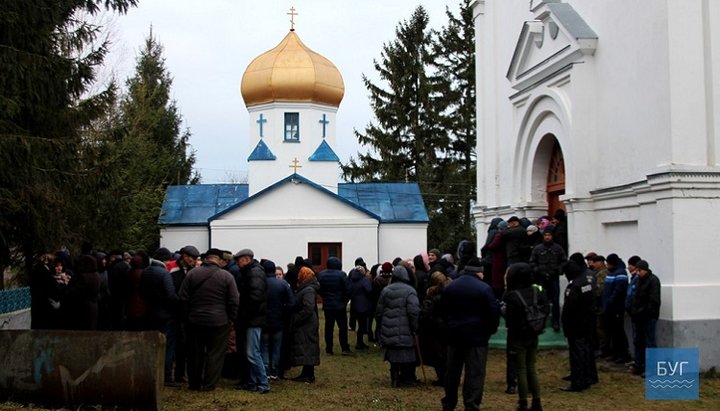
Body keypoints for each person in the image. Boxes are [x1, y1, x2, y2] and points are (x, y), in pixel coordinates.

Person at [441, 257, 500, 411]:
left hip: (454, 336)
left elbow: (443, 311)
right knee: (474, 374)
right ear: (479, 273)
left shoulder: (451, 287)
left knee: (452, 373)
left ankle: (449, 403)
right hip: (477, 338)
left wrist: (449, 327)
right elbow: (493, 313)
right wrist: (489, 331)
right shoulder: (484, 289)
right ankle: (471, 404)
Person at [178, 248, 239, 392]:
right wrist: (231, 318)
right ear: (218, 260)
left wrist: (186, 316)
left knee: (195, 353)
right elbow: (234, 300)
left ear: (206, 259)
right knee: (215, 354)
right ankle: (209, 384)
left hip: (195, 320)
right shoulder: (226, 276)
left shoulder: (192, 274)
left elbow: (183, 297)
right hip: (219, 321)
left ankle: (194, 383)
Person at [503, 263, 548, 411]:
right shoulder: (538, 291)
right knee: (531, 368)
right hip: (534, 332)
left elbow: (508, 316)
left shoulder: (511, 295)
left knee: (520, 369)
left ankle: (523, 402)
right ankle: (537, 402)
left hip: (517, 335)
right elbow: (545, 308)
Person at [375, 265, 421, 387]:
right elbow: (413, 311)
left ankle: (394, 379)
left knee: (393, 356)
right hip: (405, 328)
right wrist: (415, 327)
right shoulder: (410, 291)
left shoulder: (386, 290)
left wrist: (379, 325)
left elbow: (379, 310)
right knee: (406, 354)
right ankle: (406, 378)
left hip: (389, 327)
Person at [140, 247, 179, 386]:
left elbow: (142, 293)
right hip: (165, 314)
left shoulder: (145, 271)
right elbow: (170, 295)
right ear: (166, 260)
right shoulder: (164, 274)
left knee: (152, 343)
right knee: (167, 345)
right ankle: (166, 375)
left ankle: (150, 371)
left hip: (150, 312)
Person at [233, 248, 269, 394]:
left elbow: (255, 297)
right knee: (252, 352)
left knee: (252, 353)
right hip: (253, 318)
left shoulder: (254, 273)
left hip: (253, 319)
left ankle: (263, 383)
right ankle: (253, 382)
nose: (237, 263)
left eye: (239, 259)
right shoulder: (253, 271)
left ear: (247, 258)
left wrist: (245, 313)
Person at [560, 261, 597, 392]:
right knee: (585, 351)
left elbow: (569, 308)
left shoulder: (574, 285)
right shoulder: (586, 283)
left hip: (575, 325)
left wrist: (565, 325)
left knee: (577, 354)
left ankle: (578, 382)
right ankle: (587, 377)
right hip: (586, 323)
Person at [261, 259, 294, 381]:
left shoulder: (261, 283)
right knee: (276, 347)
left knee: (264, 346)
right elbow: (291, 303)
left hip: (264, 320)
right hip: (278, 320)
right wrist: (283, 313)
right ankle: (274, 371)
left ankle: (265, 370)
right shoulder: (283, 284)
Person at [528, 226, 566, 331]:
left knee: (555, 300)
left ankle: (556, 322)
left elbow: (563, 261)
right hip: (541, 278)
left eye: (549, 235)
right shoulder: (538, 248)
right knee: (541, 300)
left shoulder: (558, 248)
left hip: (554, 278)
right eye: (546, 235)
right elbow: (532, 261)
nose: (547, 237)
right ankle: (541, 321)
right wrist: (537, 270)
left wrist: (558, 269)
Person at [418, 271, 452, 386]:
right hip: (449, 327)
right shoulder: (452, 291)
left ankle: (442, 377)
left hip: (436, 328)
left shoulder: (431, 295)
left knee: (438, 355)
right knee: (447, 353)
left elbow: (426, 313)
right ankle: (448, 377)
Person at [629, 259, 661, 376]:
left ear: (645, 270)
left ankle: (651, 369)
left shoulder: (653, 281)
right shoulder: (639, 281)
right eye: (637, 270)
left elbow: (654, 301)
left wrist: (643, 312)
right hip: (638, 317)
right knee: (638, 342)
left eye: (640, 270)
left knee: (649, 342)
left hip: (648, 317)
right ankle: (639, 365)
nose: (638, 273)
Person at [290, 266, 321, 383]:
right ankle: (307, 373)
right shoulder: (308, 288)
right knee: (308, 346)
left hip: (307, 323)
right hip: (307, 322)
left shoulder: (308, 290)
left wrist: (297, 318)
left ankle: (308, 374)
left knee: (308, 346)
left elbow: (308, 308)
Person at [317, 256, 353, 356]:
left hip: (328, 305)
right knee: (342, 327)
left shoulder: (321, 275)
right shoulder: (341, 275)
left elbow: (319, 289)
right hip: (340, 305)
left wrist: (324, 297)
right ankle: (344, 348)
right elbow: (348, 289)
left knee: (329, 327)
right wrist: (345, 300)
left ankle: (329, 348)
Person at [603, 253, 631, 364]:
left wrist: (610, 302)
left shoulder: (621, 274)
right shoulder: (612, 272)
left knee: (618, 332)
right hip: (609, 308)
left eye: (608, 263)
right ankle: (615, 353)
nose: (606, 265)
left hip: (616, 308)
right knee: (613, 332)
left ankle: (623, 353)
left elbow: (618, 291)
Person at [348, 264, 372, 350]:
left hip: (354, 305)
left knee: (358, 324)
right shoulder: (364, 280)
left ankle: (359, 342)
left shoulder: (351, 280)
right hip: (363, 305)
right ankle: (360, 343)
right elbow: (369, 290)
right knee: (362, 326)